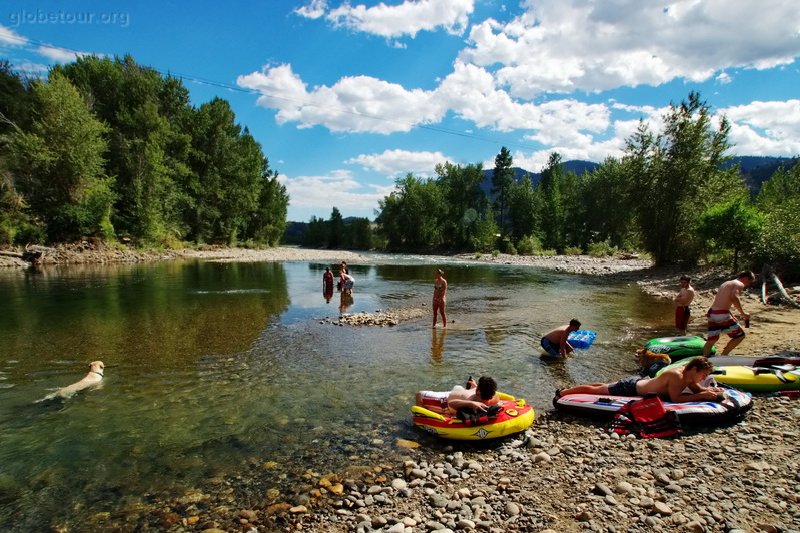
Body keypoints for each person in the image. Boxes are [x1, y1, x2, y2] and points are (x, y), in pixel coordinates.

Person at [557, 356, 724, 403]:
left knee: (602, 386)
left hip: (639, 382)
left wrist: (710, 391)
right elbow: (676, 398)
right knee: (598, 390)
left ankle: (568, 389)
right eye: (703, 374)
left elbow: (697, 390)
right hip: (631, 387)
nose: (703, 378)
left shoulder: (688, 377)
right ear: (694, 369)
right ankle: (563, 392)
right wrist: (703, 396)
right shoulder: (677, 376)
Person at [702, 271, 755, 357]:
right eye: (749, 282)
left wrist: (732, 315)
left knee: (712, 339)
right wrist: (743, 313)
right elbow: (734, 297)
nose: (748, 285)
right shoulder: (739, 284)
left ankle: (704, 359)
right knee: (740, 335)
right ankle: (724, 355)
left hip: (712, 312)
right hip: (721, 314)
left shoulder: (727, 283)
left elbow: (723, 300)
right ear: (745, 278)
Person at [415, 376, 498, 415]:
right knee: (458, 387)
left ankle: (421, 419)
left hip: (444, 401)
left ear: (478, 392)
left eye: (478, 387)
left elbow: (451, 403)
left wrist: (471, 403)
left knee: (419, 394)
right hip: (458, 392)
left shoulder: (471, 402)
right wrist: (475, 386)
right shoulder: (493, 397)